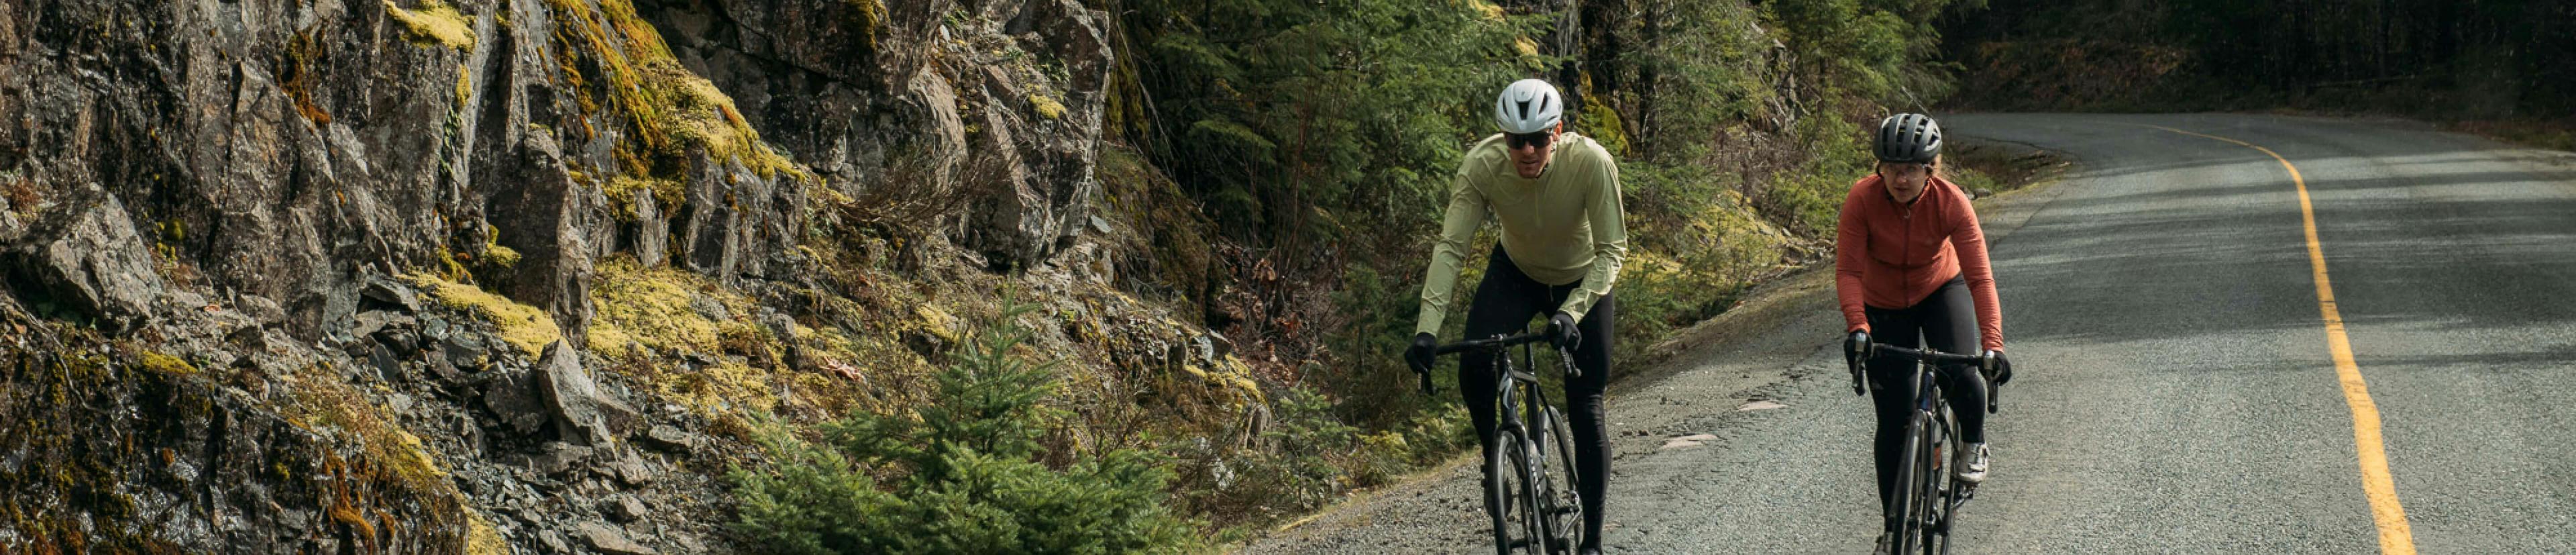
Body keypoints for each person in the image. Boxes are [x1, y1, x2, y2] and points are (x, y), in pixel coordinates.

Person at [1404, 78, 1626, 555]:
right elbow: (1451, 248)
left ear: (1558, 132)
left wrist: (1571, 313)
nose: (1526, 150)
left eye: (1538, 138)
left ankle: (1593, 541)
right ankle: (1495, 456)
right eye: (1515, 140)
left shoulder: (1591, 162)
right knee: (1474, 364)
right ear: (1502, 138)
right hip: (1517, 272)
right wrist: (1427, 329)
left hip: (1583, 278)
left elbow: (1613, 252)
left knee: (1586, 404)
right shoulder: (1483, 165)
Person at [1834, 113, 2015, 553]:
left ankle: (1973, 442)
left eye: (1911, 168)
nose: (1899, 177)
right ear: (1879, 167)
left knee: (1962, 372)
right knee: (1893, 422)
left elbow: (1981, 279)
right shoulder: (1862, 199)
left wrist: (1993, 344)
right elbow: (1849, 270)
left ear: (1930, 170)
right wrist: (1858, 327)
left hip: (1939, 289)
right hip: (1882, 302)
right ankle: (1894, 527)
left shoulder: (1951, 202)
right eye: (1891, 167)